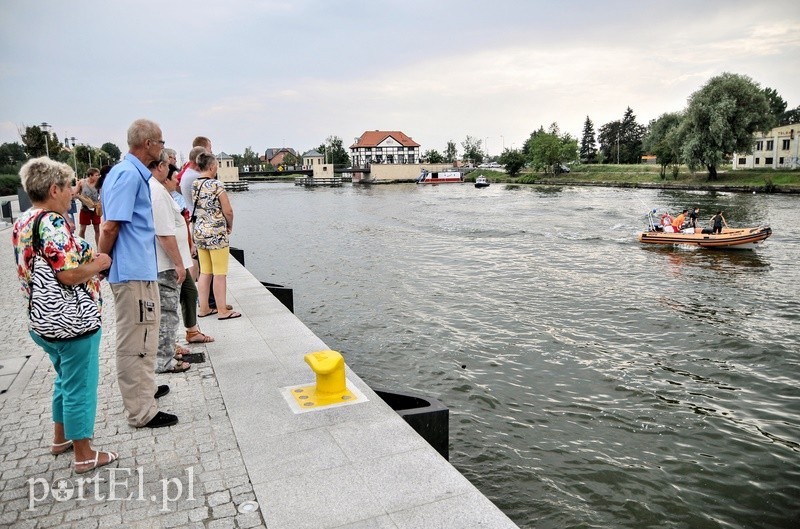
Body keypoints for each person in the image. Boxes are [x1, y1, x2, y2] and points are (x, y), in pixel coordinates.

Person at [12, 157, 117, 474]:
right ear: (54, 189)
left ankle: (60, 439)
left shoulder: (23, 221)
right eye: (70, 186)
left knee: (64, 379)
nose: (74, 191)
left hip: (41, 323)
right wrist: (99, 263)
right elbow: (69, 275)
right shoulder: (54, 224)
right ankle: (84, 454)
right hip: (71, 324)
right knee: (80, 386)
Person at [98, 119, 178, 429]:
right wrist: (104, 260)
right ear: (146, 144)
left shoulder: (130, 174)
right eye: (160, 142)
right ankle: (141, 411)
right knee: (135, 340)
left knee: (145, 334)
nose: (162, 147)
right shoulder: (129, 175)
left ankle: (145, 391)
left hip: (140, 270)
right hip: (132, 271)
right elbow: (110, 225)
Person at [148, 152, 191, 374]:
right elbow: (164, 233)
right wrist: (178, 263)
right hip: (166, 265)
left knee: (169, 312)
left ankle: (167, 352)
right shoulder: (157, 191)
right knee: (167, 314)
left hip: (169, 263)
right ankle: (164, 361)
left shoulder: (158, 190)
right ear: (161, 166)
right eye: (168, 164)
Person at [164, 162, 214, 345]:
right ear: (165, 178)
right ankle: (170, 345)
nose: (178, 181)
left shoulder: (172, 196)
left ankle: (192, 331)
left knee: (190, 292)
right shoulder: (161, 196)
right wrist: (178, 261)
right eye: (175, 178)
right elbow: (164, 232)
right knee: (170, 302)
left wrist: (189, 245)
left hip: (183, 254)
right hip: (172, 258)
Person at [192, 152, 240, 320]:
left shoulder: (195, 184)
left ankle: (203, 308)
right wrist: (230, 225)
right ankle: (222, 310)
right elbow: (228, 210)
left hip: (200, 233)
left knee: (205, 272)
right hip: (216, 234)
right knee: (220, 272)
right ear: (212, 166)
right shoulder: (216, 185)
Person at [76, 167, 102, 245]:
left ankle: (99, 249)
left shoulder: (99, 184)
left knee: (97, 229)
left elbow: (103, 194)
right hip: (85, 209)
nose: (98, 177)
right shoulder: (82, 183)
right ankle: (81, 247)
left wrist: (99, 202)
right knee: (82, 229)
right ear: (90, 176)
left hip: (95, 209)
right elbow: (76, 192)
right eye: (96, 175)